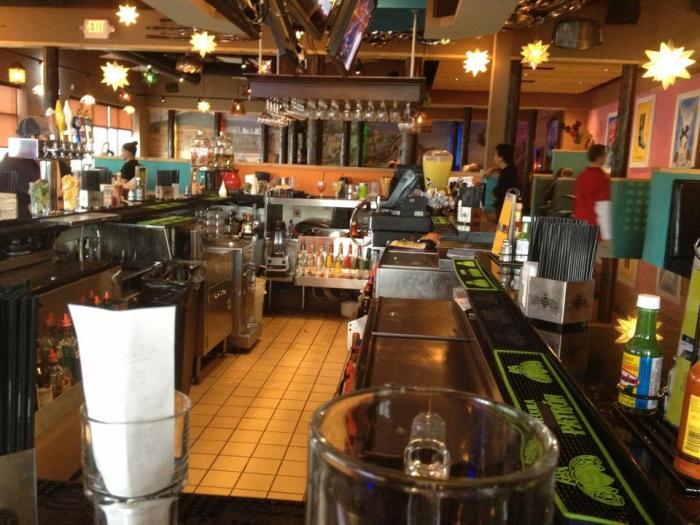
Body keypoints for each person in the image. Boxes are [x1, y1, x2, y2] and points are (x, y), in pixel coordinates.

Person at [574, 143, 612, 240]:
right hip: (594, 228)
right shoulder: (602, 178)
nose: (607, 158)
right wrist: (606, 235)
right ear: (599, 158)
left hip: (579, 226)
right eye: (606, 156)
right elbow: (603, 208)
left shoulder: (581, 176)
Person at [485, 143, 518, 215]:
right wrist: (493, 169)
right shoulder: (511, 170)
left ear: (501, 158)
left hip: (506, 208)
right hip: (507, 206)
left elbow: (498, 192)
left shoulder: (507, 175)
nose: (494, 157)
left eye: (495, 155)